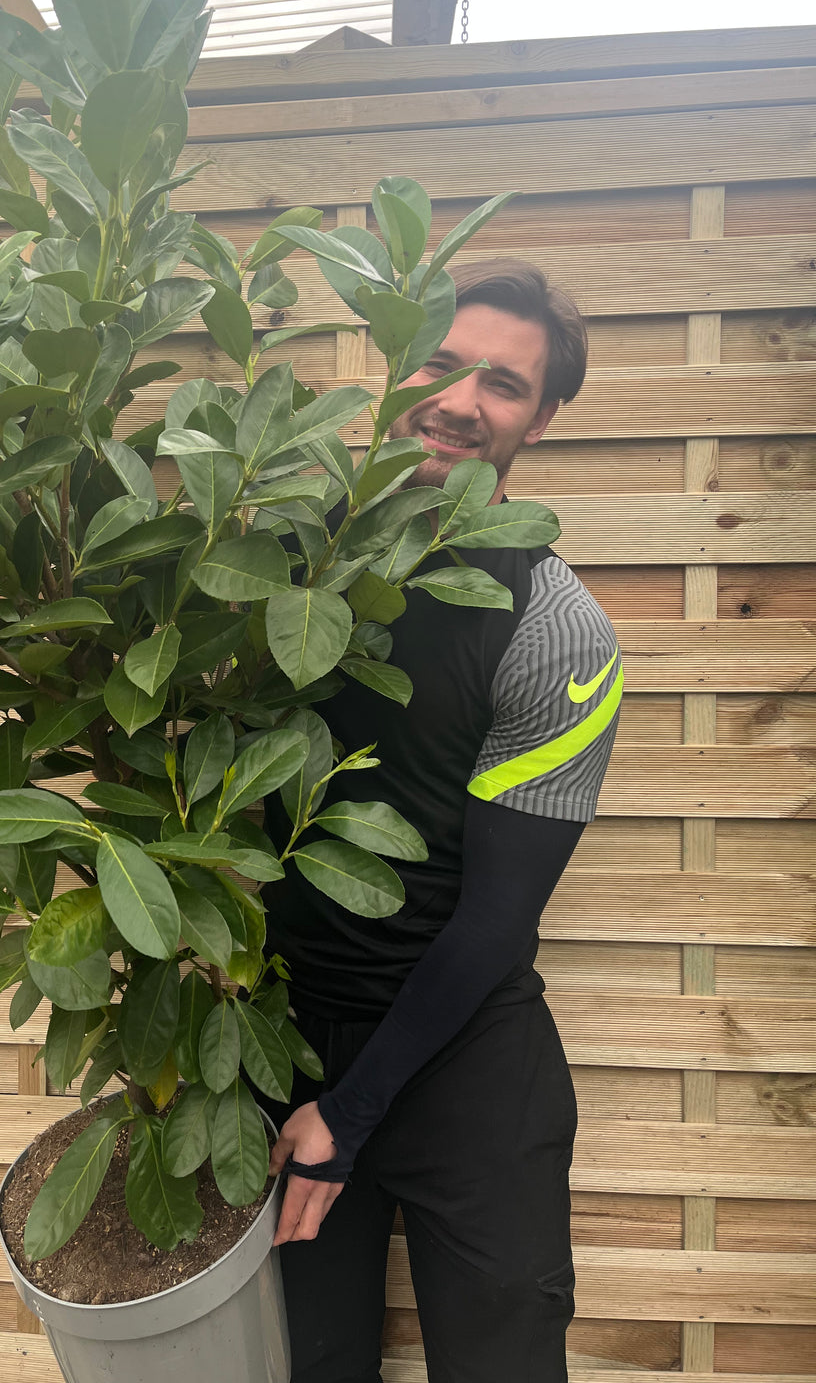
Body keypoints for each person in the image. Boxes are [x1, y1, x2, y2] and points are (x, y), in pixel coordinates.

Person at [260, 258, 623, 1383]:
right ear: (393, 364)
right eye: (442, 362)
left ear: (543, 418)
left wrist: (352, 1115)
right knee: (310, 1366)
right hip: (286, 1041)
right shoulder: (274, 563)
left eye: (505, 386)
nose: (463, 401)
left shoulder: (559, 630)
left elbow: (496, 920)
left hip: (467, 1058)